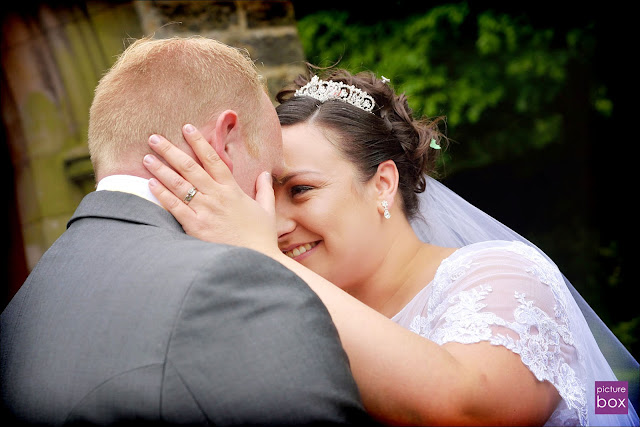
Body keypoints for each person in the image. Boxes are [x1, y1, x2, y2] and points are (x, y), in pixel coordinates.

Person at [142, 68, 640, 426]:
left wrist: (265, 258)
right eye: (261, 198)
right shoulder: (295, 319)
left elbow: (472, 409)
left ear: (382, 184)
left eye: (300, 190)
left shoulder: (502, 275)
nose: (273, 223)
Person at [0, 38, 372, 426]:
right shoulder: (237, 284)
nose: (274, 216)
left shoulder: (24, 303)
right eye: (272, 175)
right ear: (223, 141)